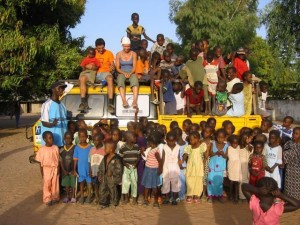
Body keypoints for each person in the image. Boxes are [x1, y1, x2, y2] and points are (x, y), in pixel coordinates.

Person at [79, 38, 115, 113]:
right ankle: (83, 103)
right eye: (99, 48)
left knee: (110, 79)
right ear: (96, 47)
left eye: (102, 48)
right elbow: (85, 63)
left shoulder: (109, 53)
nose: (101, 50)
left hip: (104, 73)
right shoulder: (92, 52)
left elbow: (112, 64)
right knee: (82, 78)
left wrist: (113, 67)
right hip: (93, 73)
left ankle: (110, 104)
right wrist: (87, 66)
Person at [181, 131, 208, 203]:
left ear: (197, 139)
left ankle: (196, 195)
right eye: (189, 140)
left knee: (198, 181)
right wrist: (182, 160)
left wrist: (204, 164)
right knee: (189, 180)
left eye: (191, 139)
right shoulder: (189, 147)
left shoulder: (202, 146)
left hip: (199, 166)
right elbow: (186, 154)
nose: (190, 141)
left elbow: (205, 156)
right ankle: (189, 195)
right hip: (190, 167)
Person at [179, 48, 209, 113]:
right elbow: (183, 72)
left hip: (203, 80)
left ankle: (207, 109)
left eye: (196, 55)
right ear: (190, 55)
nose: (195, 57)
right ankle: (193, 109)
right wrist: (181, 78)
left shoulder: (200, 59)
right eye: (193, 56)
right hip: (195, 83)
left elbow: (206, 54)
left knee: (205, 95)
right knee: (196, 95)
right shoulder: (188, 63)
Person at [35, 131, 60, 206]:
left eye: (52, 138)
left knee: (55, 183)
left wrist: (58, 168)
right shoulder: (42, 149)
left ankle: (55, 197)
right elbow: (40, 162)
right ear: (44, 139)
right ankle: (47, 198)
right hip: (46, 169)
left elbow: (58, 159)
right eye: (49, 138)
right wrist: (42, 172)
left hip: (55, 168)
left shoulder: (55, 148)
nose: (51, 139)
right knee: (47, 184)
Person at [40, 81, 67, 147]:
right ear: (53, 89)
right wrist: (53, 124)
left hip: (62, 142)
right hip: (51, 144)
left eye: (63, 88)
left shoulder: (62, 105)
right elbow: (44, 123)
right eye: (59, 88)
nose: (62, 90)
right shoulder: (46, 104)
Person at [98, 140, 123, 209]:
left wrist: (113, 172)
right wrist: (100, 174)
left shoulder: (117, 159)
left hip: (112, 178)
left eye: (105, 148)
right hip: (104, 177)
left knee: (112, 190)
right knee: (102, 189)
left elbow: (119, 169)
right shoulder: (105, 157)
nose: (104, 149)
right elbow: (101, 166)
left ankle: (113, 202)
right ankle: (103, 202)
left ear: (111, 149)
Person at [116, 37, 139, 109]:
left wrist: (130, 73)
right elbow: (117, 68)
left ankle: (135, 101)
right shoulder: (118, 54)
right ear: (122, 46)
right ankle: (124, 100)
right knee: (120, 80)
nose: (127, 48)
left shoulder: (134, 54)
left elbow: (134, 67)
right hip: (122, 72)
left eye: (128, 46)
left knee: (135, 80)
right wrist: (124, 73)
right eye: (125, 46)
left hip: (131, 71)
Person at [141, 131, 163, 208]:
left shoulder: (156, 151)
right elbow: (146, 157)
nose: (148, 143)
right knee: (149, 187)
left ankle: (154, 201)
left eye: (149, 142)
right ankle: (146, 199)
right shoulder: (151, 149)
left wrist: (160, 170)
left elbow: (160, 161)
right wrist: (142, 151)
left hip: (152, 170)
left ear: (152, 143)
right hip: (148, 169)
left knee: (153, 187)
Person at [119, 131, 140, 205]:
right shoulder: (123, 148)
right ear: (128, 138)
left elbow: (138, 157)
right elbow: (121, 158)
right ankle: (126, 198)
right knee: (125, 183)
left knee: (134, 182)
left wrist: (136, 163)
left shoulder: (136, 147)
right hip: (126, 168)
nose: (135, 138)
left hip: (134, 168)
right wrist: (125, 164)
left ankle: (134, 198)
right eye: (134, 137)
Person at [207, 129, 228, 203]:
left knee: (219, 182)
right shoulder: (213, 143)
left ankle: (219, 195)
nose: (220, 139)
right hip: (212, 166)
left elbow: (226, 156)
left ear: (225, 138)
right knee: (210, 181)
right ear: (216, 137)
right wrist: (216, 153)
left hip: (221, 167)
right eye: (219, 137)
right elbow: (210, 154)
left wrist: (222, 154)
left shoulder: (226, 145)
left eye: (222, 137)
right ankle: (210, 196)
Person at [73, 129, 93, 204]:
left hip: (88, 169)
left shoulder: (90, 147)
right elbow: (75, 159)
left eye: (84, 136)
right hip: (80, 169)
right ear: (78, 137)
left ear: (87, 136)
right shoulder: (77, 147)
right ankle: (81, 196)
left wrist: (91, 169)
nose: (82, 138)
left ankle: (89, 196)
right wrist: (74, 169)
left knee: (89, 184)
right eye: (80, 137)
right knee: (81, 183)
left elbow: (91, 159)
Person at [161, 132, 181, 205]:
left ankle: (174, 199)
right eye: (169, 141)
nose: (171, 142)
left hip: (175, 169)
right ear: (166, 140)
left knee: (175, 185)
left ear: (175, 140)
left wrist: (180, 164)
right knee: (166, 184)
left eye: (173, 141)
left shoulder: (178, 147)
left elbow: (178, 157)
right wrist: (161, 168)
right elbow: (163, 158)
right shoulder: (164, 147)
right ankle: (166, 198)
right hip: (166, 169)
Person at [283, 127, 300, 200]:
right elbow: (283, 152)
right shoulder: (289, 143)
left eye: (296, 134)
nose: (294, 135)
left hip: (298, 170)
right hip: (289, 169)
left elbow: (286, 154)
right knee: (288, 186)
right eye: (293, 133)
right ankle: (289, 200)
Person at [88, 133, 105, 204]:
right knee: (95, 185)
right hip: (94, 171)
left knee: (102, 185)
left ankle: (102, 198)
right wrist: (90, 170)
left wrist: (102, 172)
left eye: (97, 140)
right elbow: (89, 160)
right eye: (94, 140)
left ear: (101, 140)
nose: (95, 142)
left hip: (101, 172)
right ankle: (97, 197)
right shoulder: (91, 149)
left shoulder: (104, 150)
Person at [60, 131, 76, 203]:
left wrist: (74, 169)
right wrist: (63, 170)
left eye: (70, 138)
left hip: (72, 170)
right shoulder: (61, 149)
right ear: (64, 138)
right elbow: (60, 161)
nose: (68, 140)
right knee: (66, 184)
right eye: (66, 138)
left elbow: (76, 160)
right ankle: (67, 196)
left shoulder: (75, 148)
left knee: (73, 184)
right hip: (65, 170)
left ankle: (73, 196)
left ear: (72, 139)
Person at [174, 127, 188, 201]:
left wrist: (181, 161)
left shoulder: (176, 144)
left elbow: (186, 153)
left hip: (182, 165)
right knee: (177, 181)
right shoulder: (185, 143)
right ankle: (177, 195)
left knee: (182, 181)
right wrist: (182, 161)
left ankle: (181, 195)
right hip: (178, 164)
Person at [239, 131, 253, 200]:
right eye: (243, 139)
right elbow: (241, 148)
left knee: (246, 180)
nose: (245, 140)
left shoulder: (250, 146)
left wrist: (247, 144)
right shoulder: (239, 146)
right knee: (241, 181)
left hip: (247, 166)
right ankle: (241, 196)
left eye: (248, 138)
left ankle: (245, 195)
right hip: (240, 166)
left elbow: (250, 149)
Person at [227, 135, 241, 204]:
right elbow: (227, 157)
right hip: (231, 167)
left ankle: (236, 197)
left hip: (237, 168)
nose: (235, 145)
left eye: (236, 143)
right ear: (230, 143)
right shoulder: (229, 148)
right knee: (231, 182)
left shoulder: (239, 148)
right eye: (233, 143)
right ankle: (230, 195)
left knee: (236, 183)